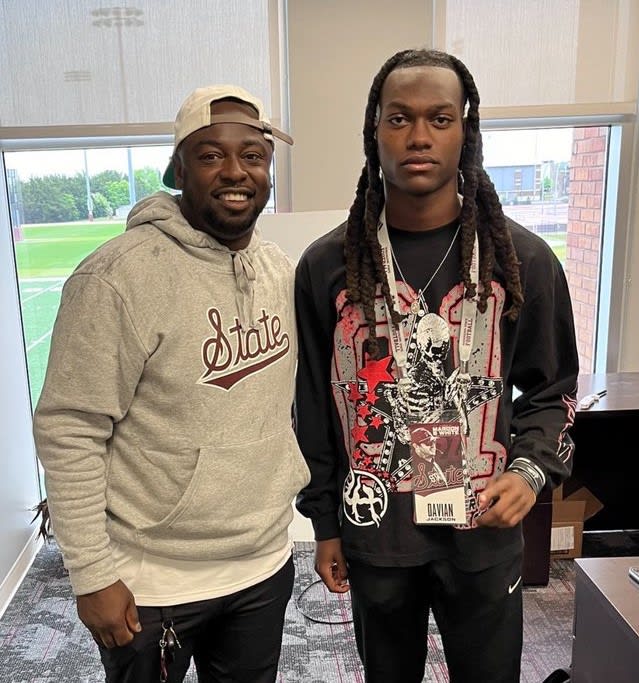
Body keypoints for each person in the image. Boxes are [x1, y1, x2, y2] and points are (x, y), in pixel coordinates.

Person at [294, 49, 579, 683]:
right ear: (374, 130)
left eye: (440, 118)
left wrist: (531, 471)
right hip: (376, 529)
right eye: (399, 119)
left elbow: (553, 389)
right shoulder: (327, 268)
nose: (418, 136)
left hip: (479, 530)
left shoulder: (522, 262)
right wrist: (324, 525)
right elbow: (314, 402)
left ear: (466, 131)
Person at [32, 84, 310, 683]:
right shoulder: (117, 277)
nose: (236, 170)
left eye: (253, 155)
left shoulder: (278, 270)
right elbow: (70, 429)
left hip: (262, 563)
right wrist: (91, 572)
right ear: (177, 168)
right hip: (151, 578)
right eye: (211, 155)